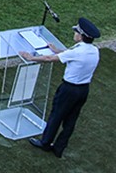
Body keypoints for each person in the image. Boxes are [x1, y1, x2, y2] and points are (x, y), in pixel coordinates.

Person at [20, 17, 100, 159]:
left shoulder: (77, 52)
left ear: (81, 36)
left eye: (76, 32)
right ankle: (59, 148)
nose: (74, 33)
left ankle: (45, 142)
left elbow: (49, 59)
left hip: (69, 89)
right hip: (83, 90)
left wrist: (31, 58)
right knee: (71, 120)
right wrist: (57, 50)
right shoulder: (94, 50)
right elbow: (70, 54)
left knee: (56, 115)